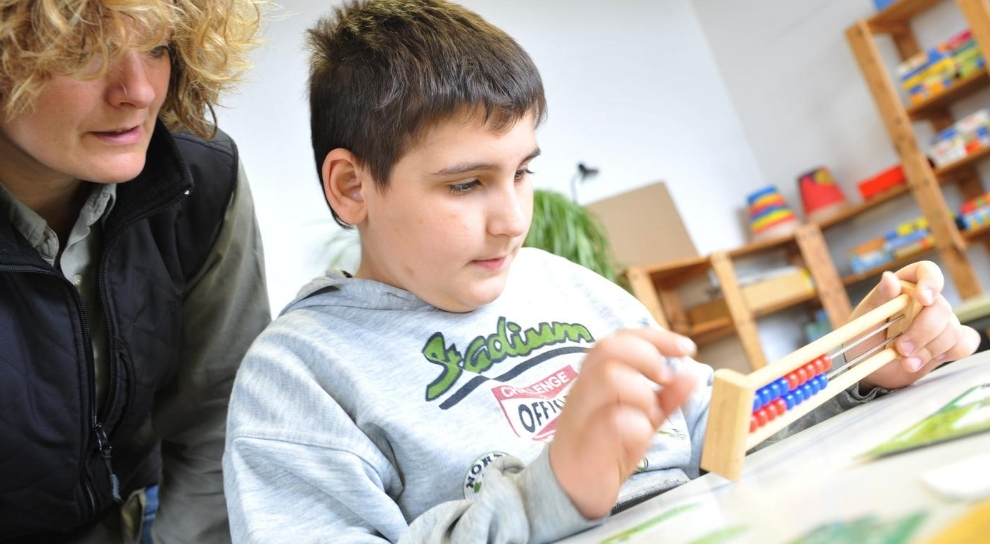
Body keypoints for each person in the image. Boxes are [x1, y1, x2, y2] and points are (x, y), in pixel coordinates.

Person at [222, 1, 981, 542]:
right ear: (352, 187)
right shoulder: (297, 378)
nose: (513, 218)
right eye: (465, 184)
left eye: (523, 173)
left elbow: (718, 435)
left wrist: (856, 365)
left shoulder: (566, 285)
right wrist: (552, 495)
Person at [0, 0, 271, 542]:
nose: (137, 91)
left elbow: (221, 416)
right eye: (86, 52)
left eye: (157, 47)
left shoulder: (200, 176)